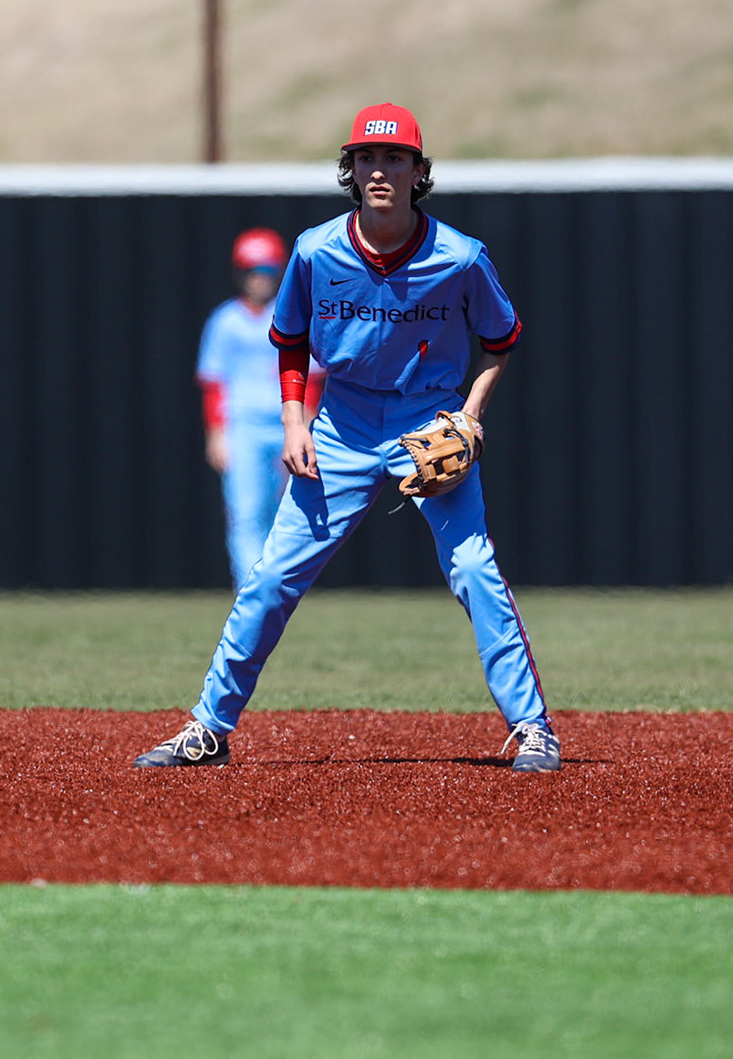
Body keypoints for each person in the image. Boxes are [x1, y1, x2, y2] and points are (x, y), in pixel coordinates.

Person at [135, 103, 559, 773]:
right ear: (351, 169)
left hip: (430, 416)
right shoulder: (315, 251)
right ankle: (210, 727)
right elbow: (292, 342)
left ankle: (534, 729)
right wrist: (295, 422)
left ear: (419, 171)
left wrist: (472, 416)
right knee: (271, 577)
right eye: (367, 157)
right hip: (343, 422)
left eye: (395, 158)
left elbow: (500, 342)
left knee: (474, 569)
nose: (380, 170)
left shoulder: (460, 257)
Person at [198, 229, 321, 590]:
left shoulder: (294, 316)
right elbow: (214, 382)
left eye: (267, 270)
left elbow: (311, 377)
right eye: (253, 270)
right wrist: (217, 435)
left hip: (288, 424)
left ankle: (282, 587)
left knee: (287, 514)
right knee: (246, 512)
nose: (259, 278)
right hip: (244, 426)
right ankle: (251, 590)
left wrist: (306, 425)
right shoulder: (225, 321)